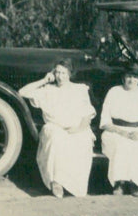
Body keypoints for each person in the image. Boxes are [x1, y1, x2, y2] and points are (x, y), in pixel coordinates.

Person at [19, 59, 96, 198]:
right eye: (57, 72)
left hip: (77, 128)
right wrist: (44, 80)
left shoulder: (79, 89)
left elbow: (87, 115)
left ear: (70, 74)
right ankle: (57, 183)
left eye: (64, 73)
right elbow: (22, 92)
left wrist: (78, 129)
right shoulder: (48, 90)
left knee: (83, 140)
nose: (60, 76)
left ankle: (73, 185)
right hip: (55, 127)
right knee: (57, 139)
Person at [99, 62, 138, 197]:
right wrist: (121, 132)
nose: (131, 80)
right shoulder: (114, 92)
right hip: (115, 130)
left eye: (135, 77)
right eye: (129, 76)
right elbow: (105, 121)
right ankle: (119, 183)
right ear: (123, 77)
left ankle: (135, 183)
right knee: (121, 144)